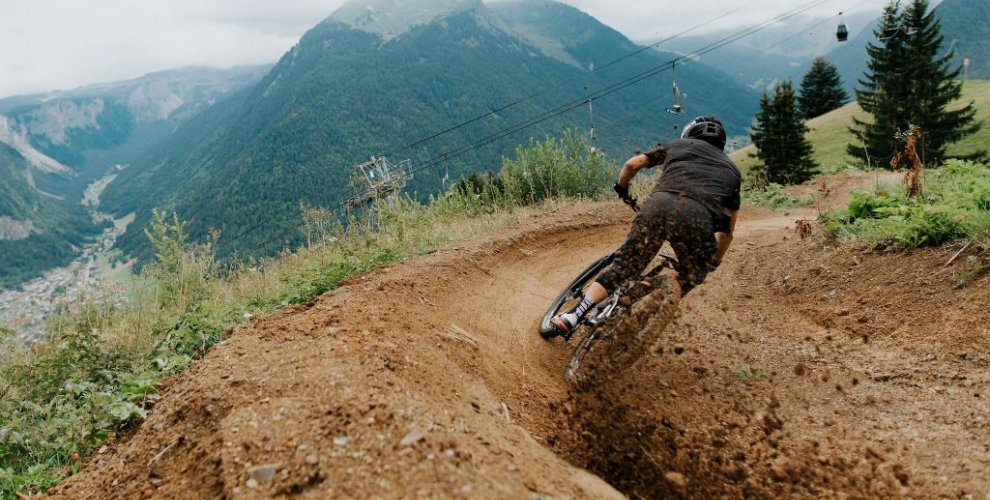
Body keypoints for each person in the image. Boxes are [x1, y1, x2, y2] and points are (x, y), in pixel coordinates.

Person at [551, 116, 741, 336]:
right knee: (692, 276)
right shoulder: (733, 172)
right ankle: (643, 320)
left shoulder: (679, 146)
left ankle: (573, 316)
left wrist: (622, 188)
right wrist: (715, 261)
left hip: (661, 206)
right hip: (699, 224)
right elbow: (728, 231)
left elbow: (632, 164)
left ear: (690, 134)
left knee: (625, 267)